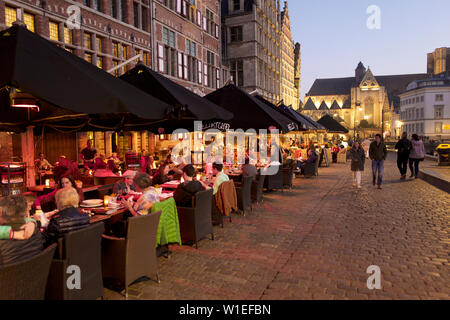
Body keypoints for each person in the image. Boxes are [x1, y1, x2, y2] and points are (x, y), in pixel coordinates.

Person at [0, 196, 44, 265]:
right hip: (36, 273)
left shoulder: (2, 242)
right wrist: (32, 221)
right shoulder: (36, 232)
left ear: (0, 212)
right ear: (26, 211)